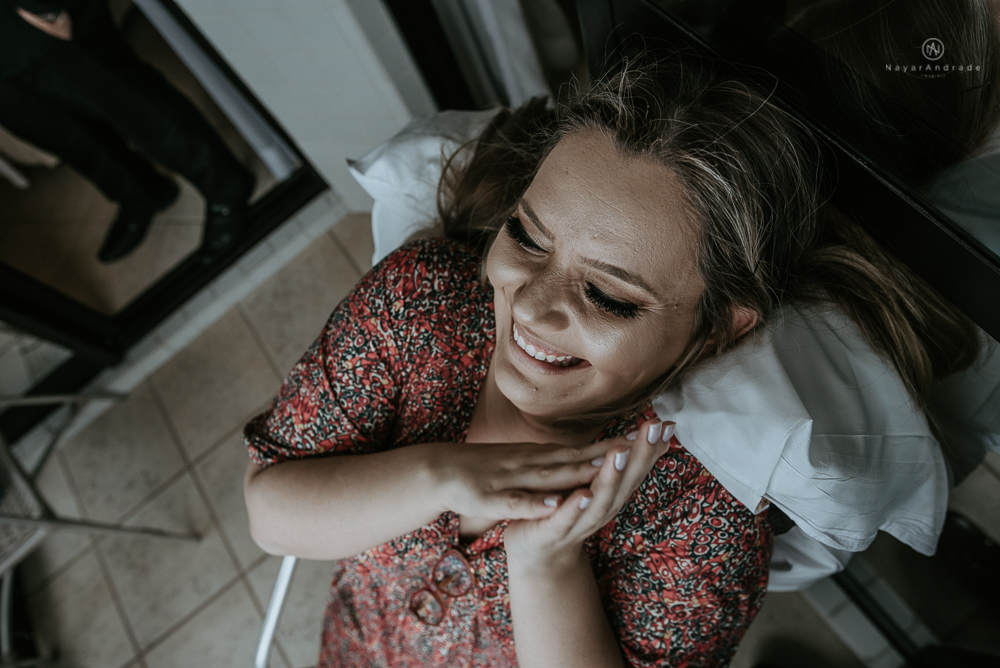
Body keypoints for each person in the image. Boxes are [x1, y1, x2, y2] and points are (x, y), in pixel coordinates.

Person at [243, 58, 979, 668]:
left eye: (607, 295)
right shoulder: (421, 306)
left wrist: (548, 565)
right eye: (529, 237)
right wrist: (443, 472)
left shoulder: (701, 514)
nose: (529, 308)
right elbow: (272, 515)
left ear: (720, 328)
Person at [0, 0, 255, 263]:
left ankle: (224, 184)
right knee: (61, 132)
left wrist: (45, 7)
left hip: (24, 15)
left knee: (127, 100)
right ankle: (141, 193)